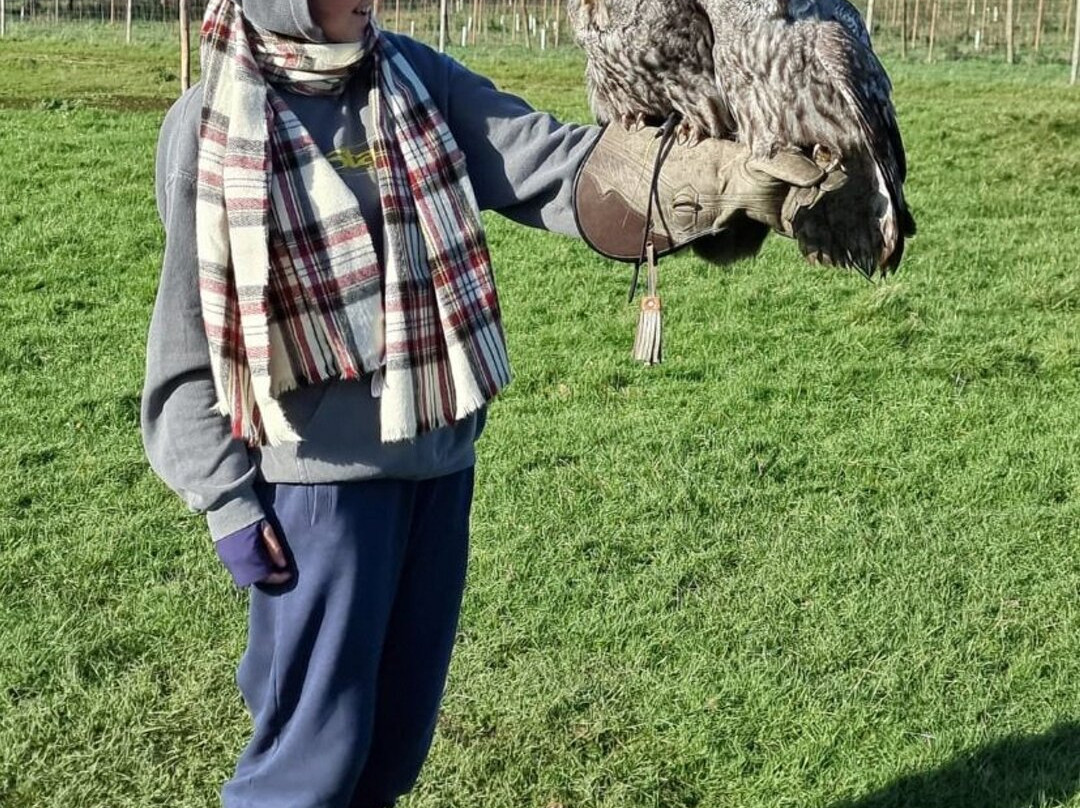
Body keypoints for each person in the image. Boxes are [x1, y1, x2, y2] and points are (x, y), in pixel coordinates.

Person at [142, 0, 841, 805]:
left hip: (439, 470)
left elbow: (546, 162)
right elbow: (186, 336)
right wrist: (226, 500)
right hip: (319, 495)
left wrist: (700, 177)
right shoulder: (214, 123)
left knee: (392, 751)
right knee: (310, 763)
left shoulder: (414, 78)